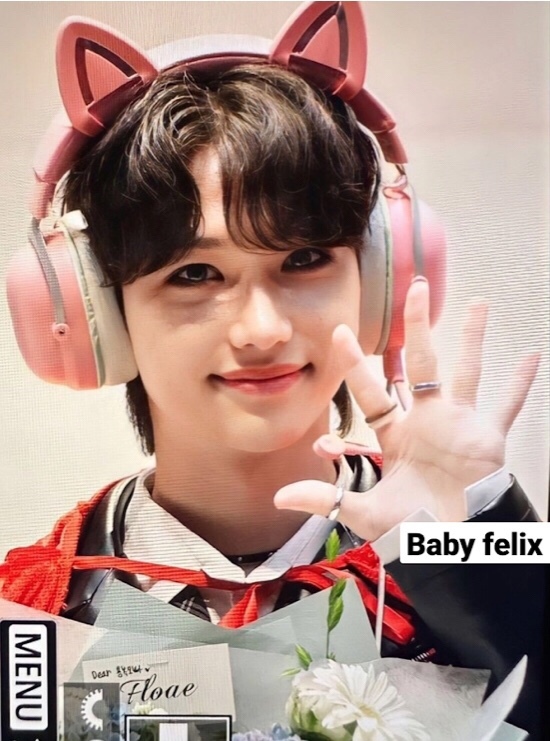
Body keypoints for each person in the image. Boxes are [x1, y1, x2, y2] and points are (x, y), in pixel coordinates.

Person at [0, 3, 545, 737]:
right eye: (194, 273)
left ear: (378, 279)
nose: (262, 329)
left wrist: (479, 551)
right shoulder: (32, 608)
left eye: (305, 259)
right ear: (96, 309)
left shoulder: (466, 545)